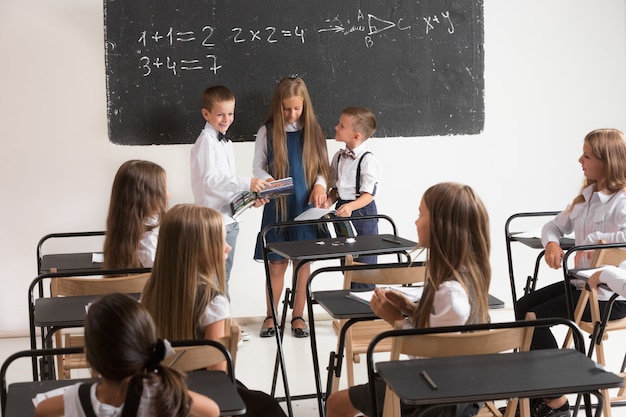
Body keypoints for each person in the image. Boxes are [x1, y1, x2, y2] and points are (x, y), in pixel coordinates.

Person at [325, 182, 492, 417]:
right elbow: (439, 334)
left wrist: (395, 320)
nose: (416, 221)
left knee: (335, 404)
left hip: (436, 396)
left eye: (421, 214)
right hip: (462, 386)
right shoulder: (469, 273)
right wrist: (411, 309)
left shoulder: (452, 295)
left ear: (442, 227)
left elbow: (428, 355)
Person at [515, 128, 626, 417]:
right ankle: (545, 390)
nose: (580, 160)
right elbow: (552, 226)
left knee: (533, 319)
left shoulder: (623, 203)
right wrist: (551, 243)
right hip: (581, 287)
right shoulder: (586, 197)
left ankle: (556, 400)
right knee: (522, 307)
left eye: (587, 156)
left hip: (607, 297)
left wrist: (599, 264)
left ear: (608, 161)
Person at [141, 204, 287, 417]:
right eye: (220, 241)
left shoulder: (151, 290)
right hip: (206, 398)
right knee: (268, 406)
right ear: (197, 249)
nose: (228, 247)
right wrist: (231, 341)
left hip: (161, 391)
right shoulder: (213, 301)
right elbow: (218, 374)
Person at [34, 292, 220, 417]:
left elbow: (41, 410)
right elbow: (213, 411)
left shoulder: (75, 398)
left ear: (89, 355)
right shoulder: (164, 395)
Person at [252, 76, 330, 338]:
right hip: (278, 206)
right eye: (286, 108)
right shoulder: (267, 132)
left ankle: (298, 315)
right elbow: (258, 166)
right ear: (278, 106)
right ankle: (271, 316)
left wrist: (320, 185)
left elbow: (322, 169)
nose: (292, 113)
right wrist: (267, 180)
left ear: (305, 106)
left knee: (302, 264)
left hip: (305, 206)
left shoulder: (314, 131)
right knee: (276, 265)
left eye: (297, 108)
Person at [190, 85, 269, 300]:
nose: (226, 119)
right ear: (206, 114)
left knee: (224, 275)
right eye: (220, 114)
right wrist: (247, 183)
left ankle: (224, 325)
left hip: (229, 218)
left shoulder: (224, 142)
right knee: (215, 277)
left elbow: (226, 187)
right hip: (214, 222)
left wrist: (250, 199)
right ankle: (218, 327)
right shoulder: (206, 142)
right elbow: (210, 180)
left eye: (231, 113)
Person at [325, 106, 381, 289]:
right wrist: (327, 202)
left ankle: (365, 312)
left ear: (356, 136)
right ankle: (350, 308)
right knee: (347, 264)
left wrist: (351, 207)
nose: (336, 127)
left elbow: (368, 195)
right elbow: (336, 189)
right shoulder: (338, 157)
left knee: (363, 266)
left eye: (342, 126)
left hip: (362, 215)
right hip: (343, 213)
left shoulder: (367, 160)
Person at [103, 159, 169, 269]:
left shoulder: (121, 233)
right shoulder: (149, 244)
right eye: (163, 189)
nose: (168, 195)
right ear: (144, 197)